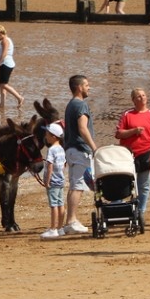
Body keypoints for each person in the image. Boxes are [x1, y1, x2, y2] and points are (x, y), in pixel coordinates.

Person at [115, 88, 150, 230]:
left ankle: (140, 212)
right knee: (125, 184)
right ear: (133, 100)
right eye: (138, 96)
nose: (141, 98)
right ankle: (120, 210)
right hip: (128, 154)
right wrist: (133, 131)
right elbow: (119, 134)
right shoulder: (128, 115)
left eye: (143, 95)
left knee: (144, 185)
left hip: (147, 153)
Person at [60, 74, 96, 235]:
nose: (89, 88)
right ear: (79, 87)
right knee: (78, 185)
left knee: (75, 184)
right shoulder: (81, 105)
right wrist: (94, 147)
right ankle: (71, 221)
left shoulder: (70, 105)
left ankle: (70, 220)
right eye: (87, 85)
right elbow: (83, 128)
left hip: (71, 149)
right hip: (80, 150)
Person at [40, 123, 66, 239]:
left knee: (54, 205)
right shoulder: (61, 149)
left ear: (53, 136)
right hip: (61, 180)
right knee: (61, 204)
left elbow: (49, 166)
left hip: (53, 181)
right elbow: (64, 165)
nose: (45, 136)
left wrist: (47, 180)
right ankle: (60, 228)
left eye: (47, 134)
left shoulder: (51, 150)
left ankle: (53, 228)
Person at [0, 25, 23, 109]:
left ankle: (19, 97)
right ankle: (2, 103)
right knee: (2, 85)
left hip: (5, 64)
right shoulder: (7, 40)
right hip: (5, 64)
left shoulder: (5, 41)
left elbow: (5, 53)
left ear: (1, 33)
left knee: (3, 84)